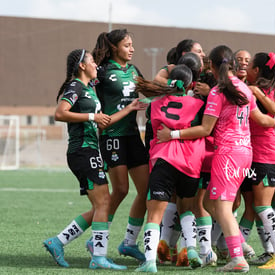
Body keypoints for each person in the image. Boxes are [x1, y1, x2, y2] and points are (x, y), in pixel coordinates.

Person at [157, 45, 275, 273]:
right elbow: (261, 119)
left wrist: (172, 134)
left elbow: (205, 129)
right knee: (210, 204)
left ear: (211, 66)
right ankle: (236, 243)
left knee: (221, 207)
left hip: (228, 154)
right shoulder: (243, 88)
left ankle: (237, 257)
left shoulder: (218, 91)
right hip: (245, 153)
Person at [43, 49, 141, 270]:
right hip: (82, 151)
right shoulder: (75, 86)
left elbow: (103, 121)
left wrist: (130, 108)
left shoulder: (89, 90)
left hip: (91, 151)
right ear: (82, 66)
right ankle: (98, 257)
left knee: (101, 205)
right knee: (103, 203)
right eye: (92, 61)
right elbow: (60, 113)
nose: (96, 64)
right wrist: (91, 116)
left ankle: (58, 242)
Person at [134, 65, 206, 272]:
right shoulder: (199, 104)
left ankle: (149, 262)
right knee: (187, 208)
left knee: (154, 215)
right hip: (191, 164)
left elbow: (152, 121)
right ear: (191, 84)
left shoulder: (155, 104)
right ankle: (191, 250)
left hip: (164, 160)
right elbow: (202, 129)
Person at [92, 29, 149, 262]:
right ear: (115, 48)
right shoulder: (103, 72)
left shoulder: (134, 71)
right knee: (122, 190)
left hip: (133, 136)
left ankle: (128, 242)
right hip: (112, 136)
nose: (132, 49)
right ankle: (99, 235)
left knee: (147, 191)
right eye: (127, 45)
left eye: (132, 45)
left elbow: (150, 90)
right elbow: (85, 89)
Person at [238, 51, 275, 270]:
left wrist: (255, 93)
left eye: (249, 65)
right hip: (260, 154)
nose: (245, 68)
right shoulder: (267, 89)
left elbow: (271, 116)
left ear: (257, 70)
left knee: (262, 206)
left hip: (266, 154)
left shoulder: (262, 91)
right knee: (253, 205)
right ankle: (236, 248)